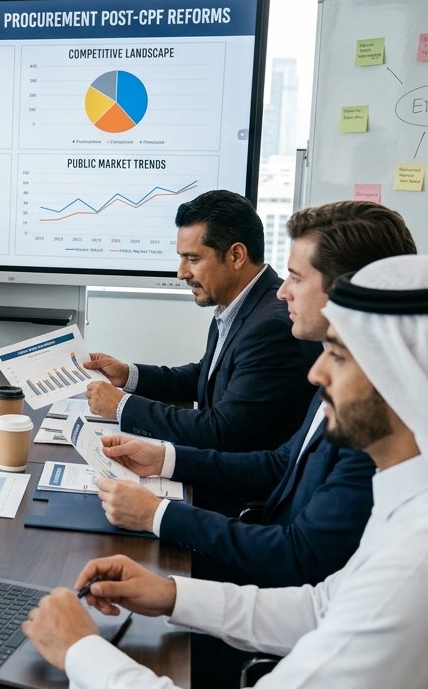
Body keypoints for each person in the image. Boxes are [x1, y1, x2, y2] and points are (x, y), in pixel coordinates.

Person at [23, 254, 428, 689]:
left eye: (340, 357)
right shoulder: (408, 500)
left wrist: (82, 653)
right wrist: (171, 594)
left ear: (404, 376)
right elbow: (320, 608)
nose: (316, 373)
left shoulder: (415, 565)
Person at [94, 201, 416, 587]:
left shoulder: (374, 417)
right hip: (261, 543)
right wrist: (163, 458)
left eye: (296, 278)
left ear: (349, 290)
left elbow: (301, 557)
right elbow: (281, 463)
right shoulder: (336, 369)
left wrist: (158, 515)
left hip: (268, 566)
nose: (283, 292)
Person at [83, 189, 316, 453]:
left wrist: (122, 406)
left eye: (193, 259)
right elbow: (206, 377)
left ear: (236, 256)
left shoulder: (272, 327)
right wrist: (128, 374)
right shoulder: (239, 304)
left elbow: (222, 431)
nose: (181, 273)